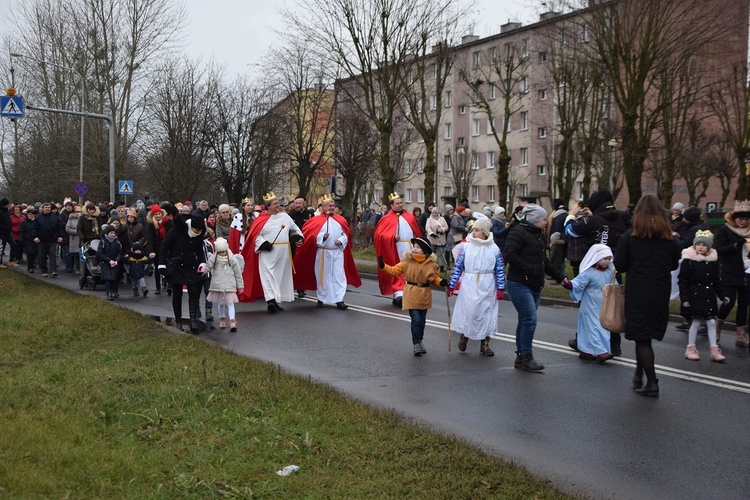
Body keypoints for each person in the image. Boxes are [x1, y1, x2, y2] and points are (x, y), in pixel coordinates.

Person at [614, 194, 680, 397]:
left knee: (641, 337)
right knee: (645, 336)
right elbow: (673, 264)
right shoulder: (669, 238)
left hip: (639, 290)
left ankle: (652, 381)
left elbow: (621, 264)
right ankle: (638, 373)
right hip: (659, 290)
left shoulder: (630, 237)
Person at [504, 203, 569, 370]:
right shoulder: (518, 232)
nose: (546, 222)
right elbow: (509, 254)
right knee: (529, 320)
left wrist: (560, 277)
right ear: (534, 220)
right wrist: (530, 269)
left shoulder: (538, 234)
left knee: (525, 320)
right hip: (519, 283)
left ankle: (521, 357)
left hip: (535, 284)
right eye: (543, 219)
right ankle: (526, 356)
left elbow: (544, 261)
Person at [446, 218, 506, 357]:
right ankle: (465, 336)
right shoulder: (467, 247)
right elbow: (458, 267)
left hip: (488, 284)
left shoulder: (494, 249)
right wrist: (452, 284)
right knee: (471, 312)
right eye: (473, 229)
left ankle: (485, 345)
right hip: (470, 283)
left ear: (484, 233)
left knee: (487, 315)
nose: (474, 232)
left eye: (477, 230)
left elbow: (500, 269)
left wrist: (501, 288)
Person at [379, 237, 446, 355]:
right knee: (416, 319)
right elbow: (394, 270)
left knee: (422, 320)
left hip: (424, 294)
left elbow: (434, 279)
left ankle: (419, 340)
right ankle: (416, 343)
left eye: (418, 247)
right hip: (411, 292)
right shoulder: (407, 261)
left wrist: (442, 282)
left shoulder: (431, 265)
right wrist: (383, 266)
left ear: (424, 250)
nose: (414, 249)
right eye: (414, 246)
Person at [294, 195, 361, 310]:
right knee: (323, 276)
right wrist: (322, 238)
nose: (332, 207)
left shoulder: (340, 220)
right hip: (323, 252)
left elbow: (346, 235)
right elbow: (310, 237)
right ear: (323, 207)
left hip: (337, 252)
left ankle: (339, 299)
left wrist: (341, 240)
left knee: (339, 275)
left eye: (333, 206)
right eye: (330, 206)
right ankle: (321, 298)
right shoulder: (315, 221)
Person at [240, 192, 304, 313]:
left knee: (279, 277)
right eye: (275, 204)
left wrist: (298, 238)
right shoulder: (260, 219)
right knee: (268, 276)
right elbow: (255, 236)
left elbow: (295, 229)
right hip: (268, 253)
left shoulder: (285, 217)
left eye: (278, 203)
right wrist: (263, 244)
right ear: (268, 206)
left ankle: (275, 300)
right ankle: (270, 301)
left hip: (284, 252)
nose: (278, 205)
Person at [678, 230, 727, 362]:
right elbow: (683, 281)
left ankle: (714, 350)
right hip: (694, 296)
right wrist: (685, 299)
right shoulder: (688, 262)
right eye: (698, 244)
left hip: (708, 296)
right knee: (696, 322)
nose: (700, 247)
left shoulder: (712, 262)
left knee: (711, 322)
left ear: (709, 247)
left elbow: (716, 281)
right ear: (694, 246)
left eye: (704, 245)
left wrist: (723, 296)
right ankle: (690, 348)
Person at [562, 244, 615, 362]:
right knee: (593, 326)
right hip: (590, 303)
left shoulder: (610, 273)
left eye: (609, 259)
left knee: (603, 326)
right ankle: (600, 351)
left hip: (604, 302)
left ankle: (587, 351)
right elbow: (578, 283)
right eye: (604, 259)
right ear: (596, 258)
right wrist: (568, 284)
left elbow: (614, 286)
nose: (607, 262)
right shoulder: (589, 272)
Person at [158, 214, 209, 333]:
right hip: (176, 267)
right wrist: (162, 264)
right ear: (191, 227)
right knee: (177, 295)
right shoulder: (177, 230)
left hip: (191, 267)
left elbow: (200, 249)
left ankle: (193, 320)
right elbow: (165, 246)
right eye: (196, 230)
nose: (198, 232)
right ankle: (178, 320)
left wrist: (202, 263)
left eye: (200, 230)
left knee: (194, 293)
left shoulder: (199, 234)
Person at [373, 192, 422, 307]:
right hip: (396, 249)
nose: (400, 205)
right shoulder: (386, 219)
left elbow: (417, 232)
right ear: (392, 205)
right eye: (397, 203)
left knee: (411, 272)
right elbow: (379, 235)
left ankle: (411, 295)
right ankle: (398, 295)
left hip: (410, 248)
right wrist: (392, 238)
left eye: (401, 203)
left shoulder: (409, 216)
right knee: (397, 270)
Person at [713, 200, 750, 348]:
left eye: (746, 219)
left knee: (744, 304)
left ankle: (741, 335)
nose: (743, 222)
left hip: (747, 272)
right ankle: (718, 326)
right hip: (730, 271)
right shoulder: (725, 230)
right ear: (734, 218)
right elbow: (719, 250)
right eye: (740, 219)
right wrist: (736, 245)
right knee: (729, 301)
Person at [206, 238, 244, 331]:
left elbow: (238, 272)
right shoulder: (214, 258)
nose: (221, 254)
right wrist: (202, 272)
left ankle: (232, 321)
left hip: (229, 285)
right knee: (221, 303)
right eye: (219, 252)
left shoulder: (232, 259)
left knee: (230, 303)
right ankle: (222, 319)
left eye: (223, 251)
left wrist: (240, 285)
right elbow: (208, 267)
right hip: (218, 285)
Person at [288, 196, 315, 299]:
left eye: (300, 203)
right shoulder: (289, 216)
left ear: (304, 204)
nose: (298, 205)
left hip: (305, 244)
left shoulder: (309, 215)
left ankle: (301, 289)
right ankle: (291, 287)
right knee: (293, 266)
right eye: (296, 203)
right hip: (293, 244)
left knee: (303, 267)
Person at [146, 203, 173, 295]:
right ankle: (158, 286)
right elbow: (150, 238)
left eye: (159, 214)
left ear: (162, 213)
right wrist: (151, 251)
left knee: (169, 266)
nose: (158, 216)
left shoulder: (168, 222)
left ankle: (169, 284)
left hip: (168, 248)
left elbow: (172, 234)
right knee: (157, 268)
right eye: (156, 214)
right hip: (157, 249)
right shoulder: (151, 225)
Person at [32, 202, 64, 277]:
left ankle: (53, 270)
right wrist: (35, 237)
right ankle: (44, 270)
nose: (47, 209)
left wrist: (60, 236)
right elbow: (34, 228)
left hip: (52, 239)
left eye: (49, 207)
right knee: (42, 256)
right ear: (43, 209)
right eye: (46, 207)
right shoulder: (38, 217)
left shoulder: (55, 218)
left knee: (52, 255)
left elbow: (59, 228)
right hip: (41, 240)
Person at [97, 224, 123, 300]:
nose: (113, 235)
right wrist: (108, 260)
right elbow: (100, 253)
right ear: (107, 233)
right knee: (108, 279)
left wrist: (116, 260)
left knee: (115, 278)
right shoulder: (103, 242)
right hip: (106, 263)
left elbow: (120, 252)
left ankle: (114, 290)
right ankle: (109, 292)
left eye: (114, 233)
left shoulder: (117, 242)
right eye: (111, 233)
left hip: (115, 263)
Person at [547, 199, 568, 280]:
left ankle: (561, 276)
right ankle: (560, 275)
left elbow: (557, 229)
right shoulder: (564, 214)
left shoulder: (559, 215)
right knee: (559, 258)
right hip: (561, 239)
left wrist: (553, 240)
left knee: (558, 258)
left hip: (558, 240)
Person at [425, 207, 449, 272]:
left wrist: (442, 229)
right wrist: (432, 233)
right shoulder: (429, 219)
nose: (434, 214)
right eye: (433, 213)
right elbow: (428, 228)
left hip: (440, 239)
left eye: (435, 213)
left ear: (438, 213)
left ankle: (441, 266)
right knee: (431, 253)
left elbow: (446, 227)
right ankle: (430, 266)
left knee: (440, 253)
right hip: (432, 239)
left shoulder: (442, 219)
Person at [0, 198, 19, 269]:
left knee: (14, 245)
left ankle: (11, 260)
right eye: (7, 204)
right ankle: (0, 262)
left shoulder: (7, 211)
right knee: (2, 247)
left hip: (8, 232)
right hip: (1, 232)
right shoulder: (1, 212)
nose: (8, 205)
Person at [65, 205, 82, 275]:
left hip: (82, 239)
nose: (78, 213)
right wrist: (76, 232)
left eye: (80, 211)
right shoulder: (71, 219)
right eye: (77, 211)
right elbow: (67, 228)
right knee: (76, 255)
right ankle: (77, 268)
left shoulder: (84, 219)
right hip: (75, 239)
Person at [19, 208, 38, 273]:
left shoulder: (37, 222)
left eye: (31, 214)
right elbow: (21, 231)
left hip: (36, 240)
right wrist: (21, 239)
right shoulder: (24, 222)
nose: (30, 216)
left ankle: (33, 263)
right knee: (30, 254)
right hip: (27, 240)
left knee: (35, 253)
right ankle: (30, 266)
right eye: (28, 214)